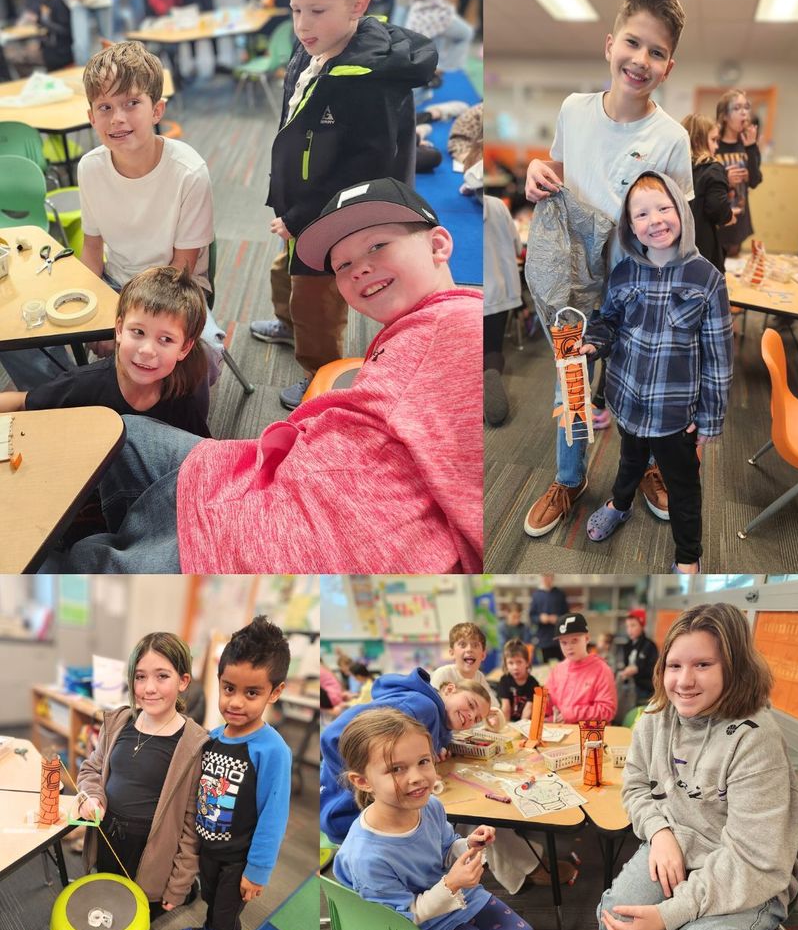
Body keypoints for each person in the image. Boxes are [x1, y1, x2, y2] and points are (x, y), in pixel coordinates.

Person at [48, 178, 482, 574]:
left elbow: (480, 501)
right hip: (273, 476)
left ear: (439, 245)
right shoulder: (412, 327)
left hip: (287, 541)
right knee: (118, 434)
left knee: (84, 567)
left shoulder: (461, 325)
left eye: (377, 246)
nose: (358, 269)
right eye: (342, 264)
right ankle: (131, 534)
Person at [523, 0, 693, 539]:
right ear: (609, 43)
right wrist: (535, 174)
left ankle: (643, 468)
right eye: (633, 43)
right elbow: (562, 181)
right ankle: (569, 479)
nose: (640, 60)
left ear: (669, 67)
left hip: (635, 285)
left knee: (637, 383)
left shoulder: (670, 138)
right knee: (570, 381)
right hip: (576, 282)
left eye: (657, 51)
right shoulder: (574, 110)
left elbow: (677, 225)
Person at [251, 0, 438, 411]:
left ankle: (321, 371)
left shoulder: (365, 82)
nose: (301, 23)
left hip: (329, 217)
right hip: (298, 200)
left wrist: (300, 220)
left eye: (315, 11)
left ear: (358, 5)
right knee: (286, 274)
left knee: (316, 298)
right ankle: (287, 323)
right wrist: (287, 203)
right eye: (295, 10)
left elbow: (360, 170)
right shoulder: (316, 45)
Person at [597, 603, 798, 930]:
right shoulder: (654, 718)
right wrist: (659, 833)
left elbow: (754, 857)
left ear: (733, 666)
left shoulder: (756, 739)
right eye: (675, 666)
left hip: (747, 872)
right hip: (677, 847)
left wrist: (668, 915)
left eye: (703, 665)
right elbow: (635, 785)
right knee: (615, 917)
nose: (684, 681)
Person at [577, 171, 733, 574]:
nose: (655, 220)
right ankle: (620, 504)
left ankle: (687, 555)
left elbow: (718, 356)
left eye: (664, 208)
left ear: (681, 210)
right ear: (630, 225)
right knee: (629, 461)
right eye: (641, 214)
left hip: (675, 414)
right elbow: (608, 321)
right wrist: (595, 341)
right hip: (628, 401)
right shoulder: (626, 271)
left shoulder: (707, 279)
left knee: (683, 487)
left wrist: (710, 418)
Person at [334, 708, 535, 930]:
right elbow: (403, 917)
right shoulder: (367, 857)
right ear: (362, 781)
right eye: (396, 769)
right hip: (419, 929)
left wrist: (468, 846)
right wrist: (452, 883)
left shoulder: (430, 806)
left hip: (453, 897)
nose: (417, 777)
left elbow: (445, 848)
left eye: (423, 761)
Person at [78, 41, 224, 399]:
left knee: (204, 357)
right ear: (91, 117)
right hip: (117, 282)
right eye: (105, 107)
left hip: (177, 289)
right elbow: (93, 250)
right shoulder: (90, 168)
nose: (118, 119)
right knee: (39, 337)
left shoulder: (188, 172)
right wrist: (85, 304)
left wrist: (129, 325)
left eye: (132, 103)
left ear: (157, 109)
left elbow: (182, 269)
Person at [178, 617, 292, 930]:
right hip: (209, 846)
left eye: (251, 693)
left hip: (240, 857)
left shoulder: (273, 750)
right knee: (212, 899)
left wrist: (257, 872)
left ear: (275, 692)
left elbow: (274, 816)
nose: (236, 702)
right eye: (228, 689)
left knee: (228, 912)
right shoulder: (212, 737)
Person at [74, 632, 209, 916]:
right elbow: (91, 769)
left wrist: (178, 885)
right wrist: (92, 797)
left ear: (183, 681)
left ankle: (191, 890)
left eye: (162, 676)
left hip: (151, 856)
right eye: (140, 677)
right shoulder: (119, 723)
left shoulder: (193, 744)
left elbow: (190, 822)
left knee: (137, 917)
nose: (149, 688)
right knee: (107, 904)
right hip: (109, 839)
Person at [0, 266, 211, 437]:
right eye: (138, 332)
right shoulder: (86, 383)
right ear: (119, 329)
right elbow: (21, 403)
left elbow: (203, 457)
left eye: (165, 339)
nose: (147, 350)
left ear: (184, 348)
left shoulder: (181, 399)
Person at [319, 667, 491, 843]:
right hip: (347, 812)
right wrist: (369, 789)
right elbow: (331, 736)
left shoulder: (437, 717)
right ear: (449, 689)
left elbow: (439, 733)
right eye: (471, 705)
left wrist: (439, 748)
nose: (470, 716)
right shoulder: (422, 707)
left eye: (477, 719)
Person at [681, 113, 738, 274]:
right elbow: (717, 208)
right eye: (713, 140)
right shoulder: (712, 168)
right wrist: (729, 216)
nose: (717, 146)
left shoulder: (676, 166)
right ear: (699, 141)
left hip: (677, 246)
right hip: (702, 248)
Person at [483, 191, 522, 426]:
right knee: (492, 348)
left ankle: (472, 391)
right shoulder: (497, 205)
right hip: (500, 289)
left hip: (473, 288)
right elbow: (517, 246)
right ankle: (492, 372)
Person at [714, 89, 763, 259]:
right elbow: (702, 181)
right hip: (717, 218)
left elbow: (755, 181)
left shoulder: (749, 145)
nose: (744, 112)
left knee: (734, 272)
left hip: (739, 219)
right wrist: (725, 180)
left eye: (746, 107)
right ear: (725, 116)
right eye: (737, 108)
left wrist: (751, 147)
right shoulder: (713, 144)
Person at [406, 0, 472, 73]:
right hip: (439, 17)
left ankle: (435, 73)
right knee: (466, 33)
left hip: (416, 19)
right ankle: (444, 69)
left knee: (424, 65)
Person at [546, 613, 616, 723]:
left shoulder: (602, 670)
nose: (569, 647)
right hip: (560, 731)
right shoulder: (557, 670)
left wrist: (572, 714)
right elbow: (549, 705)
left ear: (587, 638)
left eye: (574, 640)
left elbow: (607, 711)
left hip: (590, 736)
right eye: (564, 643)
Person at [430, 622, 499, 710]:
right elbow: (431, 709)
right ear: (452, 653)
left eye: (475, 645)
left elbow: (493, 707)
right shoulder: (442, 674)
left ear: (483, 655)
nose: (469, 649)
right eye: (463, 645)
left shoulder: (479, 677)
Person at [32, 0, 73, 71]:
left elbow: (66, 31)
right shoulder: (44, 1)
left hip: (61, 58)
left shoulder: (58, 2)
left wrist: (45, 22)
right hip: (49, 56)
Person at [617, 608, 658, 707]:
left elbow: (655, 669)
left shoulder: (649, 646)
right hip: (630, 687)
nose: (629, 629)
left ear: (642, 626)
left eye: (633, 625)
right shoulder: (627, 645)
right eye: (627, 626)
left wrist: (637, 669)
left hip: (645, 689)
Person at [528, 574, 568, 663]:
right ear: (541, 577)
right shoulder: (536, 595)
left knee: (561, 665)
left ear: (553, 577)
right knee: (545, 666)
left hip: (559, 638)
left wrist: (558, 619)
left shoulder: (560, 594)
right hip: (543, 639)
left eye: (549, 575)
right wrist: (540, 618)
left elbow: (567, 615)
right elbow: (532, 617)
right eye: (544, 576)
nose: (546, 578)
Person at [497, 638, 538, 723]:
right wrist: (505, 728)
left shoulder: (533, 684)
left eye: (519, 662)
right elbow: (505, 708)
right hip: (508, 721)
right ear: (506, 664)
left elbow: (528, 710)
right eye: (511, 663)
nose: (515, 667)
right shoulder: (504, 680)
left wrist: (521, 729)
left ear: (527, 662)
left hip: (525, 723)